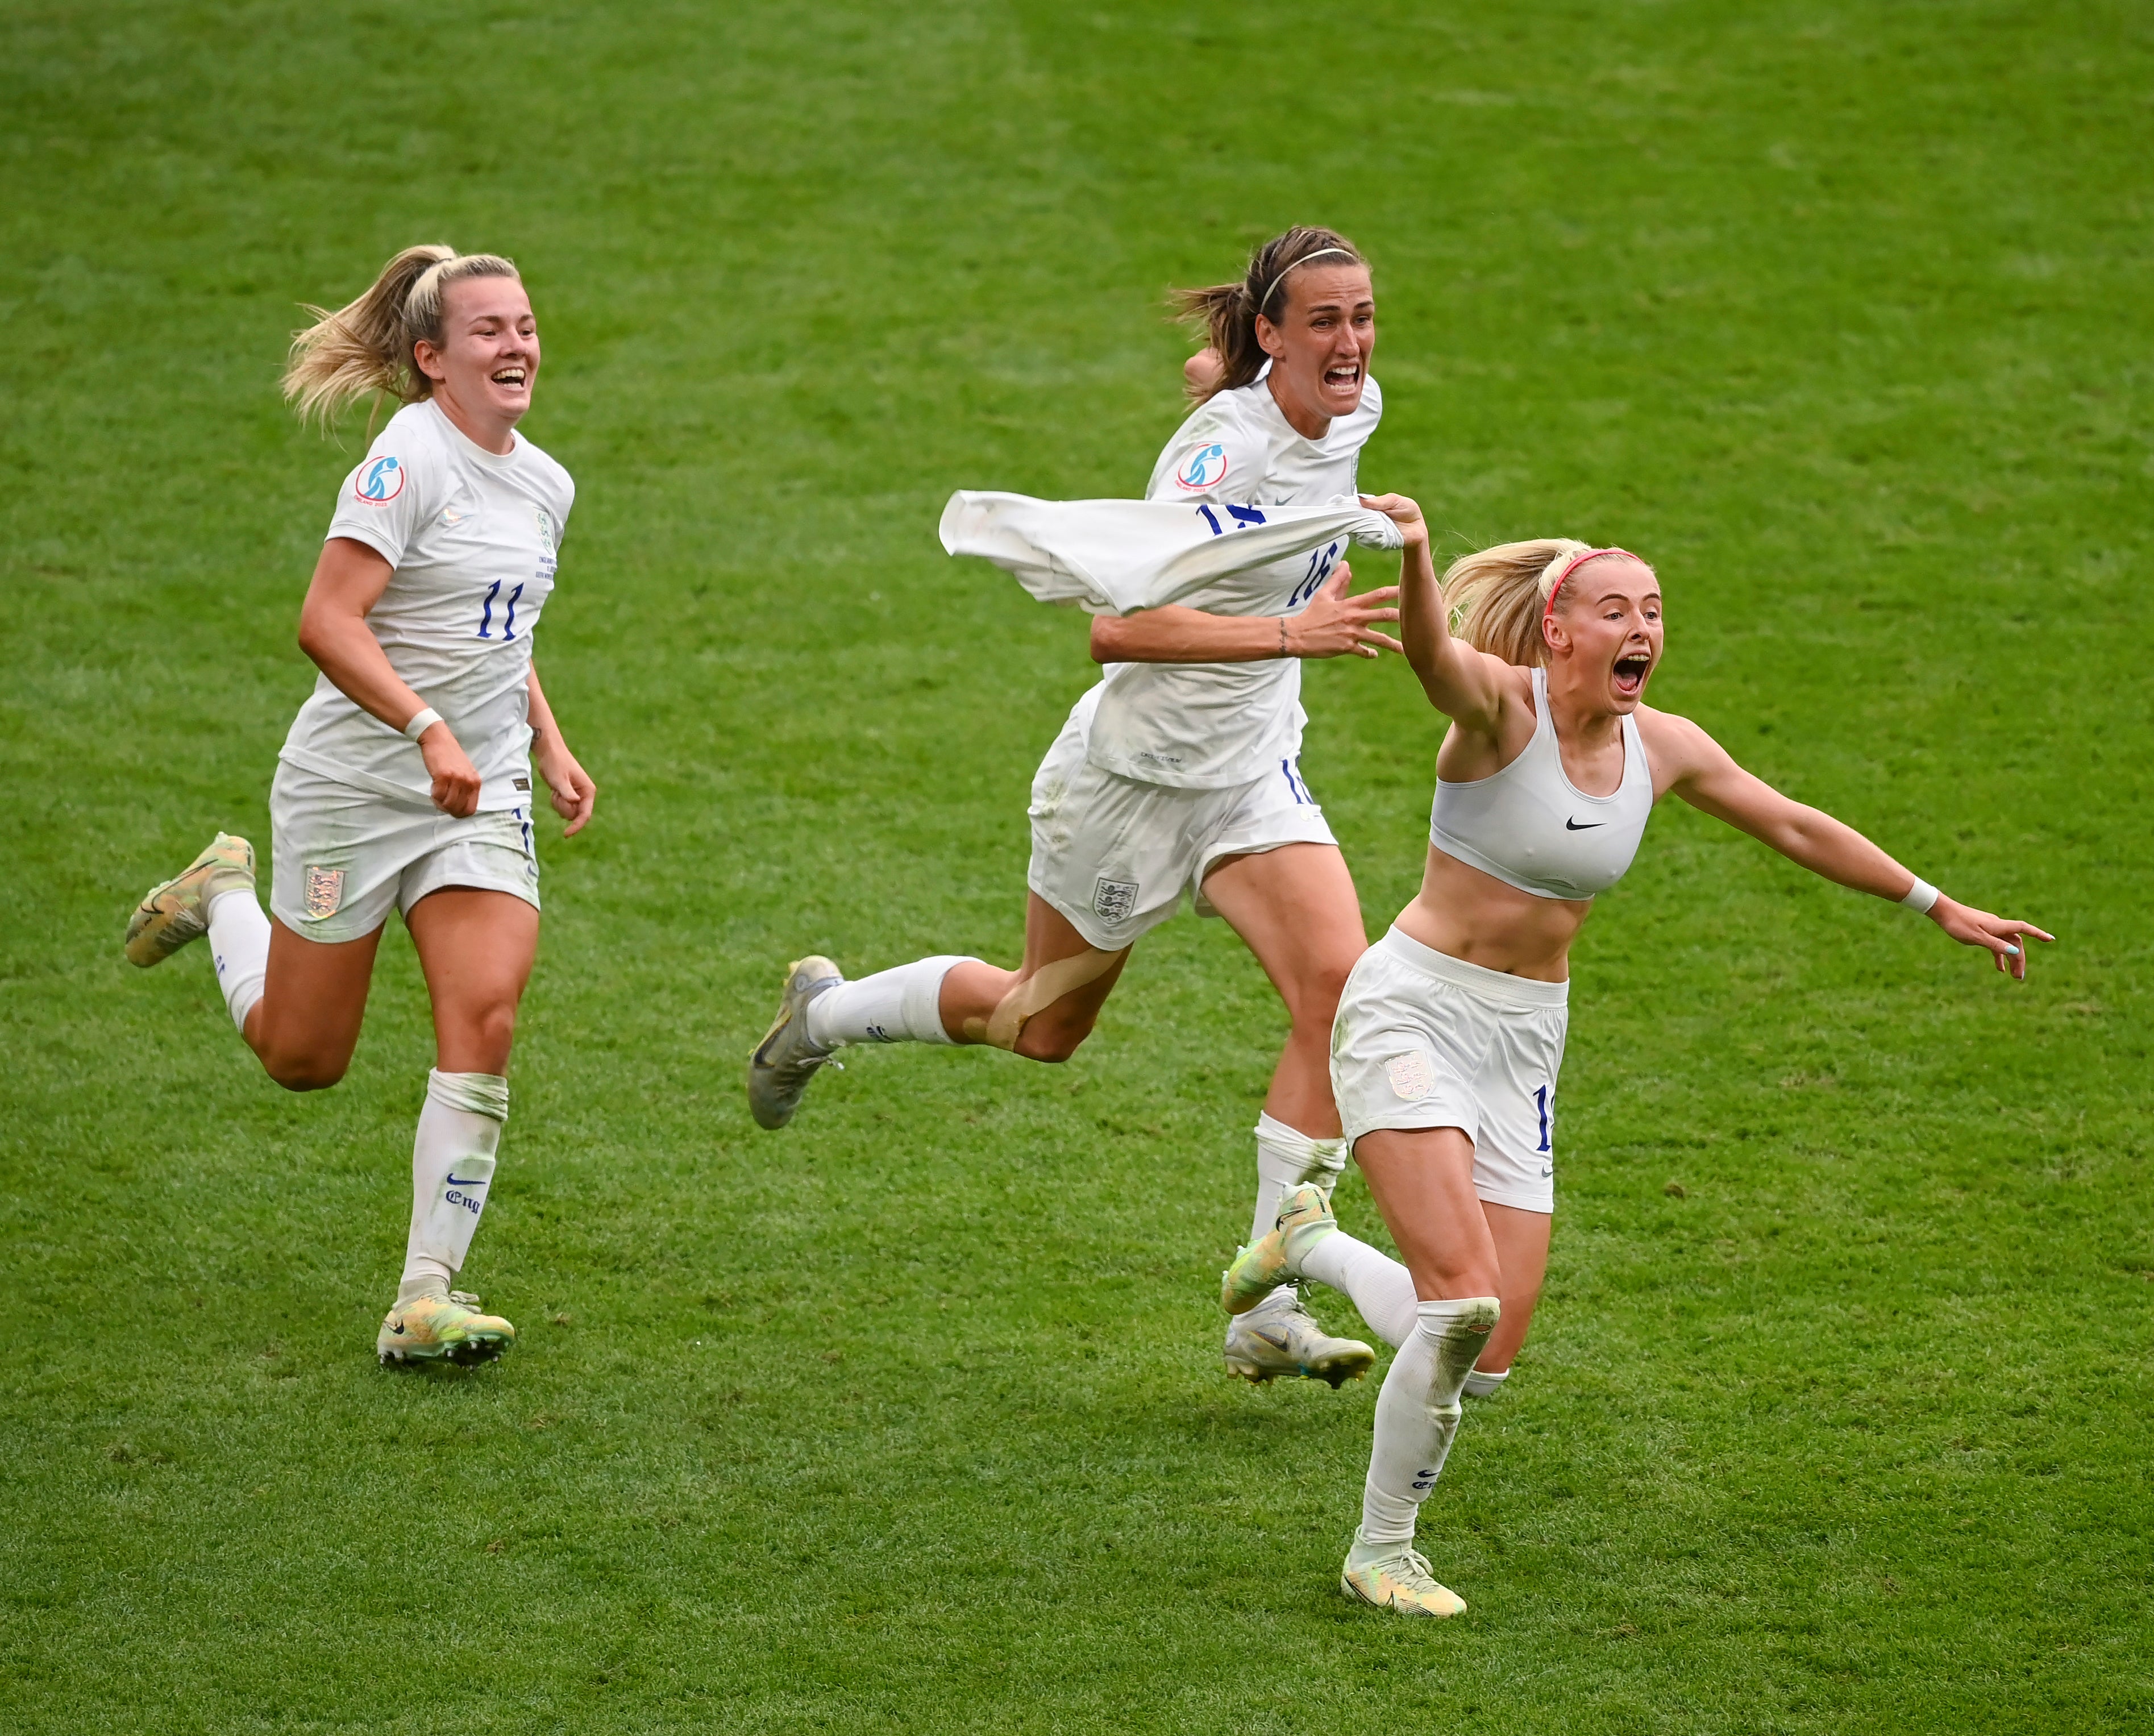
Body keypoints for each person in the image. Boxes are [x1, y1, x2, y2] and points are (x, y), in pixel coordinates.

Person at [1219, 495, 2052, 1616]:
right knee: (1458, 1307)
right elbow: (1427, 654)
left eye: (1653, 609)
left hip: (1523, 1043)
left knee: (1488, 1349)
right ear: (1556, 628)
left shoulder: (1661, 747)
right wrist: (1416, 554)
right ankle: (1382, 1549)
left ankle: (1306, 1238)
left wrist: (1933, 900)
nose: (1641, 627)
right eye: (1615, 607)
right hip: (1412, 1010)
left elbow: (1792, 821)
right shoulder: (1492, 714)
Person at [749, 227, 1403, 1390]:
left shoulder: (1346, 405)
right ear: (1272, 333)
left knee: (1338, 991)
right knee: (1038, 1026)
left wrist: (1225, 377)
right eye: (1323, 322)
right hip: (1130, 787)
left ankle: (1267, 1301)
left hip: (1250, 775)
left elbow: (1236, 389)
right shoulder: (1218, 459)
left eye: (1360, 317)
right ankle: (824, 1013)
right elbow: (1118, 626)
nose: (1349, 343)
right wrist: (1289, 628)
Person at [122, 244, 596, 1368]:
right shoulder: (405, 463)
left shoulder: (546, 481)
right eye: (487, 330)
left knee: (484, 1016)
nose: (515, 344)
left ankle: (424, 1294)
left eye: (524, 325)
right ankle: (221, 895)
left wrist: (547, 737)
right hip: (355, 784)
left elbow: (497, 628)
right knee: (303, 1056)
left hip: (478, 792)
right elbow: (327, 620)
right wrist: (423, 727)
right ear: (432, 359)